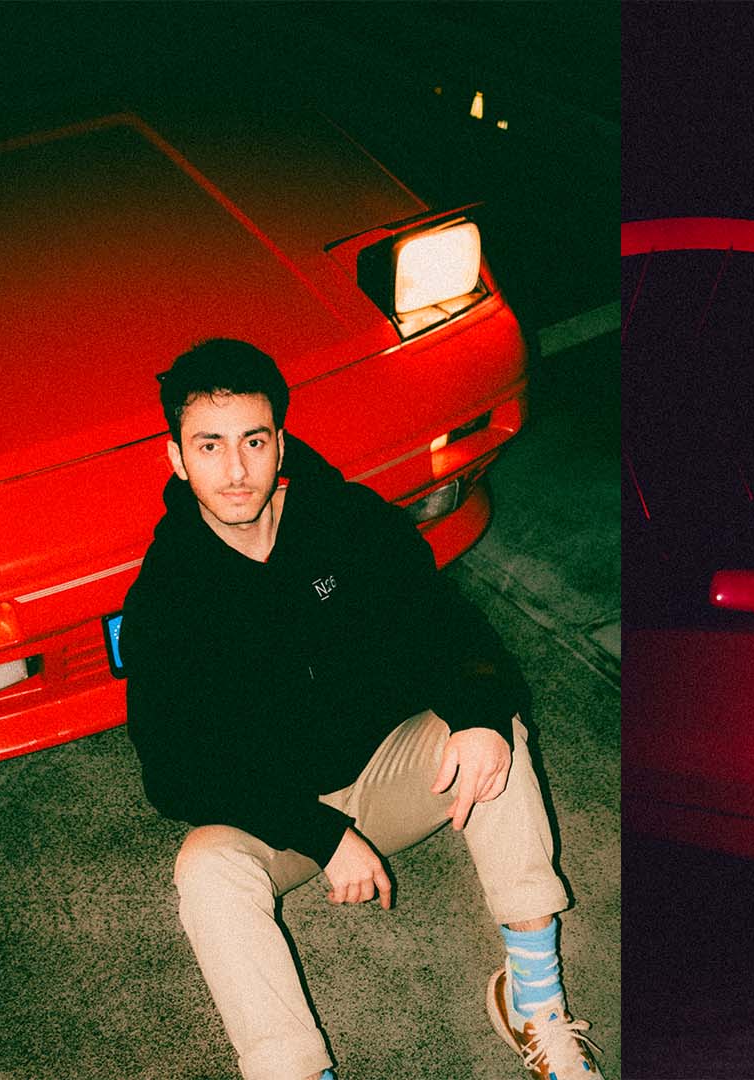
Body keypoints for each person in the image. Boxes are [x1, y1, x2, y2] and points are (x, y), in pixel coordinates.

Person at [122, 339, 602, 1080]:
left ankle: (534, 999)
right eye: (210, 447)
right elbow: (175, 769)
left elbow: (445, 625)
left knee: (489, 730)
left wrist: (475, 715)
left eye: (253, 440)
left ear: (280, 440)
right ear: (177, 459)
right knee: (206, 869)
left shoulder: (343, 520)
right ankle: (296, 1070)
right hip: (276, 816)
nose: (237, 470)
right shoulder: (166, 596)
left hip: (386, 771)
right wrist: (319, 832)